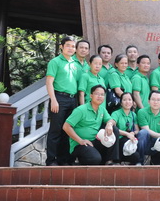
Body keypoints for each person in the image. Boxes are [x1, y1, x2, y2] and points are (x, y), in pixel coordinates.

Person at [45, 36, 81, 166]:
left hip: (72, 100)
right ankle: (51, 160)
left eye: (73, 46)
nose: (71, 48)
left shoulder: (75, 63)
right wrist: (53, 100)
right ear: (62, 46)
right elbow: (49, 82)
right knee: (56, 131)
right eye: (68, 45)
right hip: (59, 98)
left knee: (68, 131)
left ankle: (63, 160)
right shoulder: (55, 62)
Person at [63, 85, 119, 165]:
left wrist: (109, 124)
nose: (100, 96)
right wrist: (80, 141)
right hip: (80, 144)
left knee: (114, 129)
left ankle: (110, 161)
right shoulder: (81, 110)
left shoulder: (102, 109)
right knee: (95, 159)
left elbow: (111, 120)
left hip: (95, 141)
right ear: (91, 95)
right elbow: (66, 126)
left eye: (102, 94)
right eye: (97, 94)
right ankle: (79, 161)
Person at [137, 90, 160, 165]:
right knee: (143, 133)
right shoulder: (142, 112)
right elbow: (146, 130)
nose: (155, 102)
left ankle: (155, 161)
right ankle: (139, 161)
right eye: (153, 99)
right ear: (148, 101)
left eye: (158, 100)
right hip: (145, 142)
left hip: (158, 142)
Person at [110, 92, 141, 165]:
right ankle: (116, 160)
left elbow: (137, 130)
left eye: (130, 100)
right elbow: (113, 127)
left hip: (128, 141)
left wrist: (133, 133)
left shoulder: (133, 115)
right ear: (121, 103)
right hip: (117, 141)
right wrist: (127, 134)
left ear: (133, 102)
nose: (127, 102)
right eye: (124, 100)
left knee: (136, 156)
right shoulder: (116, 113)